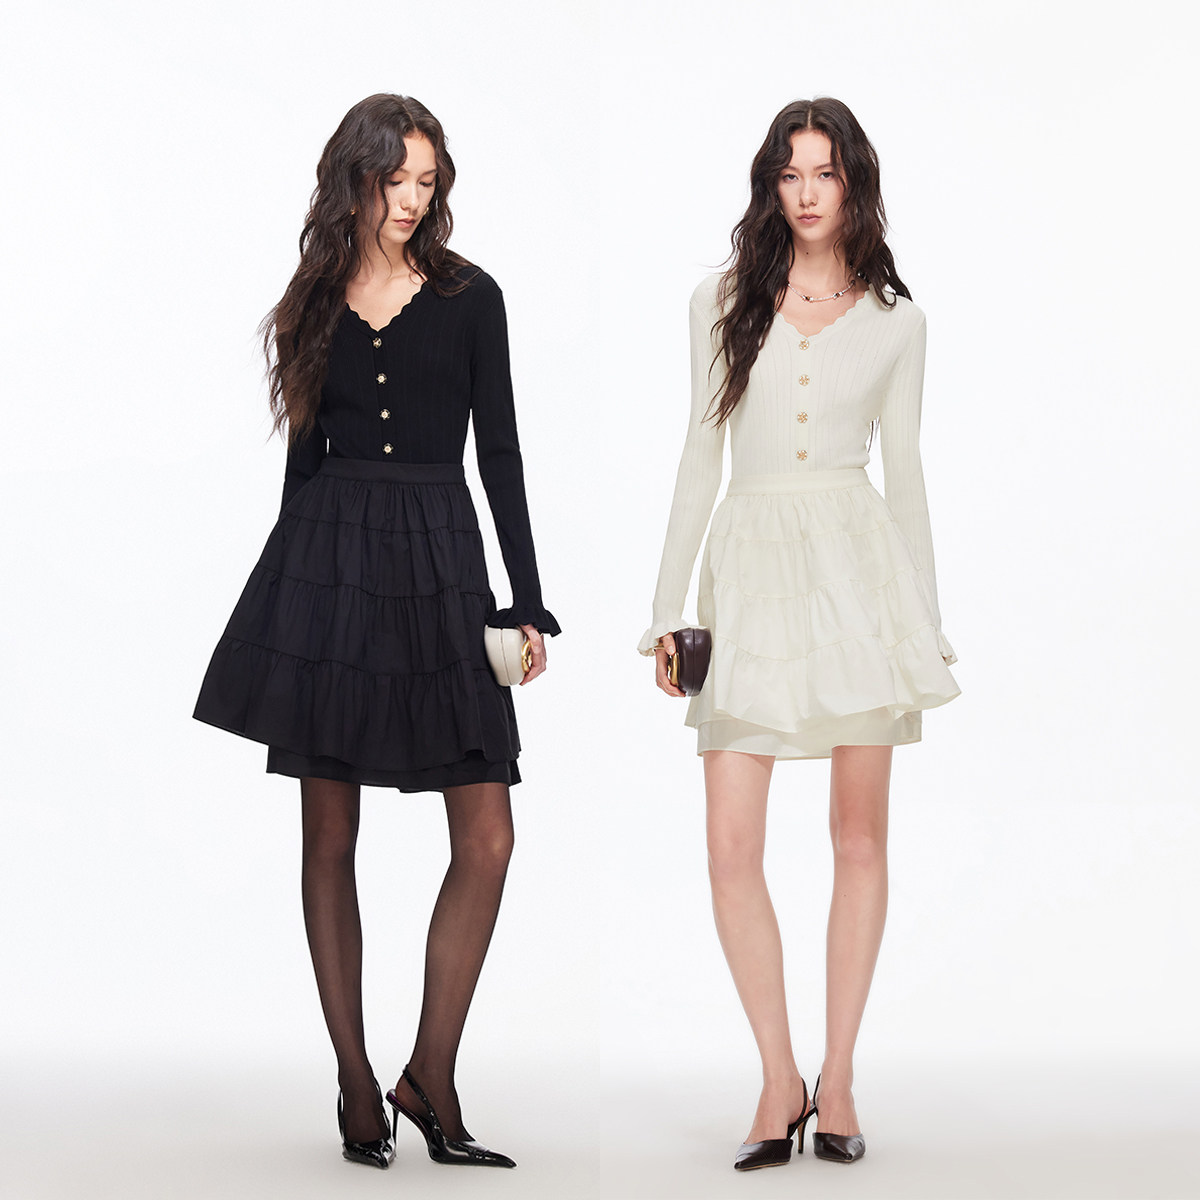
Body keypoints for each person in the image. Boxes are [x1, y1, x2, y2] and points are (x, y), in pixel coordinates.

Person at [194, 93, 558, 1170]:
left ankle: (428, 1075)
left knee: (487, 836)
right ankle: (357, 1080)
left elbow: (502, 453)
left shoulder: (471, 297)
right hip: (332, 567)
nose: (411, 199)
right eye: (394, 179)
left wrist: (524, 599)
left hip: (442, 564)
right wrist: (284, 612)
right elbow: (302, 466)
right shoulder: (311, 306)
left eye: (426, 181)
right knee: (329, 837)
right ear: (354, 180)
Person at [640, 97, 959, 1170]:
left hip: (859, 582)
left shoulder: (898, 322)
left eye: (826, 171)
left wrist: (925, 620)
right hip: (750, 575)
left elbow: (906, 476)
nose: (809, 191)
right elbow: (699, 457)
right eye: (790, 173)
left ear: (854, 183)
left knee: (858, 838)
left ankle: (843, 1076)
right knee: (730, 845)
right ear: (770, 185)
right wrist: (667, 609)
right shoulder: (721, 301)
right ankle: (779, 1078)